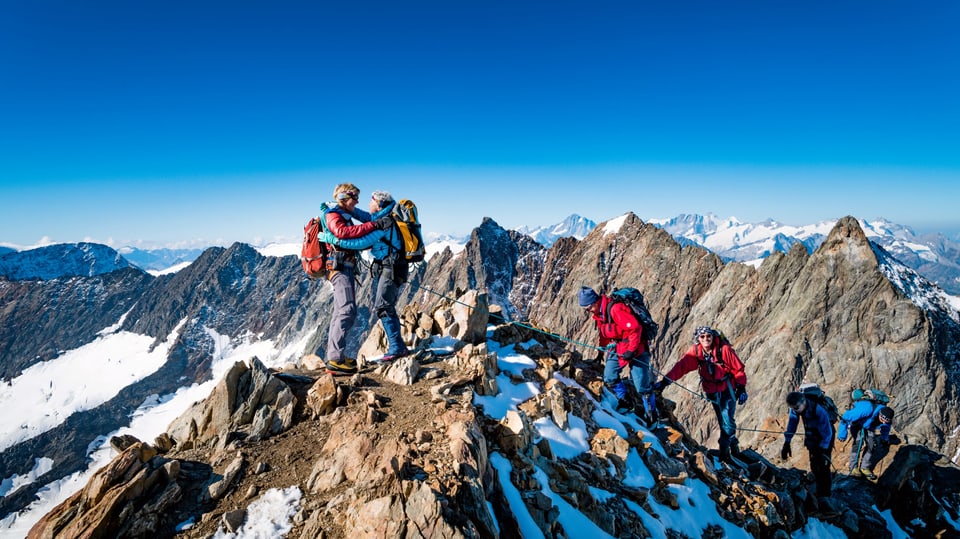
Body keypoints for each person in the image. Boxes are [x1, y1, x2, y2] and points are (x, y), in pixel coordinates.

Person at [321, 183, 393, 375]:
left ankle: (335, 356)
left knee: (340, 311)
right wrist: (374, 225)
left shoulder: (343, 214)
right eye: (355, 198)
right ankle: (335, 360)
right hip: (339, 268)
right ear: (344, 197)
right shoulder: (333, 215)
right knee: (347, 310)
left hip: (345, 266)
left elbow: (353, 233)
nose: (358, 202)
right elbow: (343, 233)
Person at [654, 326, 748, 461]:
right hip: (712, 391)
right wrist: (665, 381)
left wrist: (741, 387)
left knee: (727, 421)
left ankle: (724, 454)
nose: (706, 339)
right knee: (723, 420)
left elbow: (738, 369)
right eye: (702, 337)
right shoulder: (696, 352)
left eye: (708, 336)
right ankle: (732, 444)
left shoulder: (723, 350)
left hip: (727, 390)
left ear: (712, 337)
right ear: (698, 339)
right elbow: (682, 367)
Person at [578, 286, 657, 425]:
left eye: (588, 307)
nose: (588, 311)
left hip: (637, 347)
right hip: (619, 346)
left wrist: (631, 350)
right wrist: (601, 353)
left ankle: (652, 415)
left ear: (595, 302)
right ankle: (626, 401)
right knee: (609, 376)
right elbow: (603, 334)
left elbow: (635, 328)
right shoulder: (600, 314)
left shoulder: (615, 309)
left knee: (641, 386)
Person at [367, 190, 409, 361]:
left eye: (371, 201)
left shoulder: (384, 222)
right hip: (394, 267)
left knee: (383, 306)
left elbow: (362, 242)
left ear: (379, 204)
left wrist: (337, 240)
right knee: (386, 305)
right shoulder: (385, 217)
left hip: (392, 268)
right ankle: (398, 346)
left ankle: (397, 347)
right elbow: (364, 216)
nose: (368, 204)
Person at [781, 391, 835, 497]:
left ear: (803, 402)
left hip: (825, 437)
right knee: (814, 465)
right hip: (811, 436)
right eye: (792, 408)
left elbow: (827, 432)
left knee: (824, 466)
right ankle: (819, 492)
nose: (794, 410)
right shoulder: (796, 409)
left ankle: (826, 495)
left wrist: (823, 448)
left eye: (796, 408)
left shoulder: (818, 410)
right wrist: (787, 442)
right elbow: (792, 424)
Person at [838, 400, 894, 480]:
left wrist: (884, 439)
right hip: (857, 423)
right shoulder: (867, 409)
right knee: (858, 442)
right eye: (883, 418)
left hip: (869, 426)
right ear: (880, 414)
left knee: (871, 445)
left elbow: (885, 428)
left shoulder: (886, 420)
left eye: (887, 420)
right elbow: (845, 417)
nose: (884, 421)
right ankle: (853, 467)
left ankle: (864, 467)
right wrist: (842, 434)